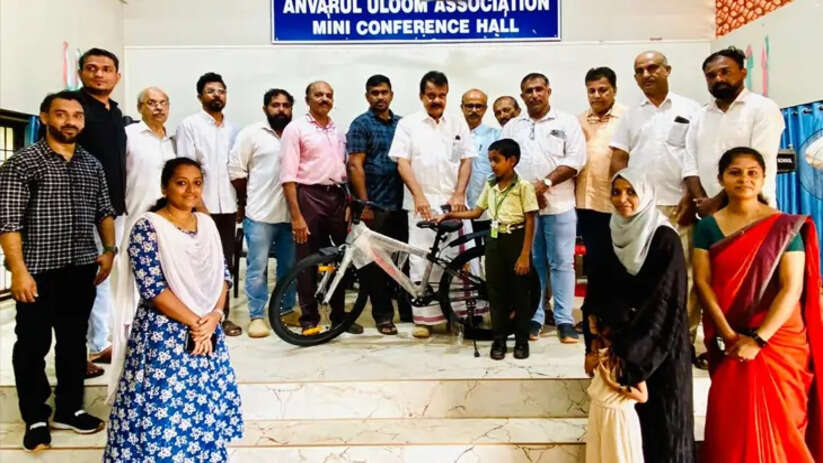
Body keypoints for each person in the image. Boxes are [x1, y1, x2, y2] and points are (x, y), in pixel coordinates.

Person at [104, 158, 243, 462]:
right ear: (165, 187)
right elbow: (153, 289)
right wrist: (197, 323)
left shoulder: (206, 223)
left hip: (207, 329)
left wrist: (215, 317)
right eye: (181, 182)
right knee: (162, 406)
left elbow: (223, 275)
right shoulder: (148, 227)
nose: (190, 190)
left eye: (197, 182)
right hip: (164, 334)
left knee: (201, 405)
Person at [0, 91, 115, 452]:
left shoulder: (90, 164)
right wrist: (18, 272)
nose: (70, 122)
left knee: (72, 343)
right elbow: (8, 223)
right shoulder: (22, 163)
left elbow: (104, 211)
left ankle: (69, 409)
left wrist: (109, 251)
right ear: (45, 117)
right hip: (37, 271)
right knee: (33, 344)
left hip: (80, 268)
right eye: (62, 114)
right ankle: (34, 416)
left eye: (77, 116)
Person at [694, 147, 822, 462]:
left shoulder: (784, 226)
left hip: (779, 340)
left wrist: (759, 338)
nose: (744, 179)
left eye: (752, 172)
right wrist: (729, 335)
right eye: (735, 172)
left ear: (764, 177)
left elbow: (792, 288)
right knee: (729, 418)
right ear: (721, 178)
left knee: (784, 420)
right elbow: (702, 283)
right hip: (731, 334)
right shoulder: (707, 227)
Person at [583, 167, 695, 462]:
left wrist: (629, 357)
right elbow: (597, 289)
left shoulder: (664, 239)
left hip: (660, 346)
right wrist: (596, 338)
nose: (622, 199)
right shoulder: (609, 233)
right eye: (616, 192)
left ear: (646, 195)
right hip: (618, 346)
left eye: (631, 191)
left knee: (664, 428)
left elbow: (666, 301)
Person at [609, 51, 703, 366]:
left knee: (684, 277)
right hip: (640, 210)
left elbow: (697, 158)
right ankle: (647, 340)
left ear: (667, 70)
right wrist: (622, 198)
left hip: (679, 205)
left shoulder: (691, 110)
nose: (647, 74)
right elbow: (619, 159)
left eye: (653, 67)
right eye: (640, 70)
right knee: (642, 276)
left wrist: (690, 199)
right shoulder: (630, 116)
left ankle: (683, 341)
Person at [388, 70, 479, 338]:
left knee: (460, 259)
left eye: (441, 95)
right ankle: (425, 320)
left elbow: (467, 159)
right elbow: (402, 162)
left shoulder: (457, 122)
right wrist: (418, 195)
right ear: (421, 96)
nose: (436, 100)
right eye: (431, 96)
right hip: (421, 203)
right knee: (422, 260)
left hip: (454, 202)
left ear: (447, 95)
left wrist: (460, 193)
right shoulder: (408, 124)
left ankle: (463, 315)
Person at [501, 72, 587, 343]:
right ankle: (535, 316)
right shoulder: (513, 126)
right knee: (533, 263)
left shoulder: (567, 122)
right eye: (528, 90)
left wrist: (545, 184)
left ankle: (563, 320)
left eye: (539, 89)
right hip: (525, 209)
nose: (534, 95)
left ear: (549, 91)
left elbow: (576, 160)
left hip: (560, 205)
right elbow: (504, 163)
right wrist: (527, 192)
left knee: (562, 263)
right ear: (522, 94)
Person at [436, 138, 539, 359]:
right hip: (494, 241)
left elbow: (531, 220)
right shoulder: (490, 184)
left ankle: (521, 341)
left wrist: (524, 255)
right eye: (490, 160)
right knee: (495, 293)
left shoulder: (524, 187)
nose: (492, 164)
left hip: (516, 238)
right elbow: (476, 212)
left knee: (520, 293)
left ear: (512, 160)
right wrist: (452, 214)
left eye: (497, 160)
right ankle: (499, 340)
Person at [108, 87, 177, 394]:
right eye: (152, 103)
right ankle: (124, 351)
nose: (158, 108)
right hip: (133, 222)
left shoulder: (170, 141)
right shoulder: (129, 136)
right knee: (129, 292)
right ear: (140, 107)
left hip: (167, 225)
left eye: (163, 103)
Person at [280, 81, 363, 335]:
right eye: (319, 95)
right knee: (307, 260)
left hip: (337, 197)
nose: (324, 99)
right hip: (309, 196)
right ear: (308, 99)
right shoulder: (296, 129)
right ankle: (309, 320)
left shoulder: (337, 131)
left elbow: (344, 168)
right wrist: (296, 216)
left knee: (340, 258)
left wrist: (348, 202)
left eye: (328, 95)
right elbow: (287, 177)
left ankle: (339, 317)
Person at [74, 48, 127, 377]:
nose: (99, 74)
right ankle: (73, 351)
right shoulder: (75, 109)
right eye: (92, 68)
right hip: (82, 211)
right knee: (79, 282)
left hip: (113, 210)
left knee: (103, 280)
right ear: (81, 73)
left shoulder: (114, 113)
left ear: (116, 77)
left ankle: (99, 342)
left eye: (106, 69)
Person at [176, 72, 242, 336]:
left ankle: (221, 316)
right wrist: (198, 207)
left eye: (221, 91)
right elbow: (185, 169)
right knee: (196, 264)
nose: (217, 95)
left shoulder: (234, 129)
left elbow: (238, 170)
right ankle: (193, 316)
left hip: (227, 208)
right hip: (197, 209)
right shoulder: (189, 126)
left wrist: (240, 204)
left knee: (223, 263)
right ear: (200, 96)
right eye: (211, 91)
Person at [229, 88, 297, 338]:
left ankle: (286, 310)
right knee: (257, 268)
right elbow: (236, 170)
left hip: (291, 216)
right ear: (265, 108)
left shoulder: (296, 132)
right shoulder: (251, 134)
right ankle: (257, 316)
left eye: (286, 105)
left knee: (290, 267)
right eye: (275, 105)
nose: (281, 110)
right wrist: (246, 200)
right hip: (259, 215)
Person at [347, 74, 412, 334]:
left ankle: (409, 311)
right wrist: (365, 204)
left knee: (405, 261)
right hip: (376, 206)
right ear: (367, 96)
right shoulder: (361, 124)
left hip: (403, 205)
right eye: (374, 93)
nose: (380, 97)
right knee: (375, 264)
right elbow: (355, 165)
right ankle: (383, 315)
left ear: (391, 94)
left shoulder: (403, 124)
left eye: (384, 92)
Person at [686, 46, 785, 213]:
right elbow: (690, 165)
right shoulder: (699, 116)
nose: (718, 79)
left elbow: (758, 164)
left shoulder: (763, 108)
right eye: (711, 76)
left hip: (753, 210)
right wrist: (702, 202)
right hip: (709, 214)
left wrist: (716, 203)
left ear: (743, 72)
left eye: (725, 72)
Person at [576, 67, 626, 348]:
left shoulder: (627, 118)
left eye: (603, 89)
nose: (597, 95)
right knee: (595, 264)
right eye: (592, 90)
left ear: (614, 90)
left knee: (619, 264)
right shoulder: (578, 121)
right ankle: (592, 317)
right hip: (587, 203)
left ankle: (616, 318)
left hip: (619, 205)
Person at [585, 315, 647, 463]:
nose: (590, 321)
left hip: (617, 416)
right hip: (598, 410)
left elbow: (643, 396)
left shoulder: (629, 356)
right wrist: (589, 363)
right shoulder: (596, 345)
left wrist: (613, 385)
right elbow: (589, 372)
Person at [462, 89, 501, 216]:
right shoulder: (451, 134)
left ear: (485, 109)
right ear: (462, 107)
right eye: (469, 106)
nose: (474, 110)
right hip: (457, 206)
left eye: (478, 106)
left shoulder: (496, 136)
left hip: (486, 207)